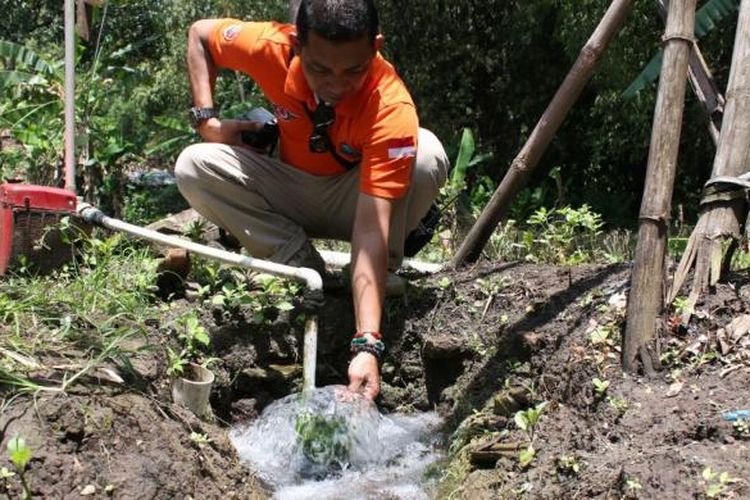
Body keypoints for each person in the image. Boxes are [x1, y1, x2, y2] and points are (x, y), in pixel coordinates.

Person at [174, 0, 448, 401]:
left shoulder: (390, 106)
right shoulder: (270, 46)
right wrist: (208, 123)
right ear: (297, 44)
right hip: (289, 189)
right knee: (193, 166)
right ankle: (301, 268)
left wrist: (368, 344)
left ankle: (372, 285)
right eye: (320, 69)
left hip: (355, 204)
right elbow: (200, 34)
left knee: (426, 153)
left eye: (353, 69)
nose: (336, 84)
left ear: (375, 46)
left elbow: (371, 226)